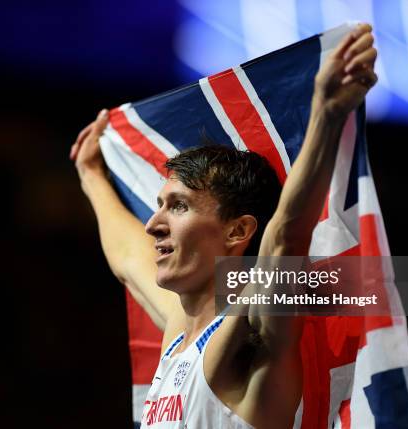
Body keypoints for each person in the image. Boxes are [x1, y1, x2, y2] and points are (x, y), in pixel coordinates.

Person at [70, 24, 377, 428]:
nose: (153, 225)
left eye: (177, 207)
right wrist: (90, 174)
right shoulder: (180, 338)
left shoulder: (246, 340)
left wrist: (326, 114)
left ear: (237, 231)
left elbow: (286, 237)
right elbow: (128, 257)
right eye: (158, 206)